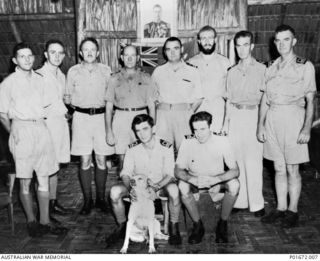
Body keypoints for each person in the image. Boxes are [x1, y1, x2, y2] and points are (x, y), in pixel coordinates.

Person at [0, 42, 66, 237]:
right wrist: (14, 132)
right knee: (25, 181)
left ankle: (45, 221)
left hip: (41, 128)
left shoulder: (40, 79)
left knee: (44, 177)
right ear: (14, 60)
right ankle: (31, 222)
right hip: (21, 129)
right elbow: (2, 114)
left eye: (30, 56)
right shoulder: (8, 83)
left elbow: (48, 106)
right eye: (22, 56)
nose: (27, 60)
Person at [257, 24, 316, 228]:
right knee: (278, 167)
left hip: (293, 117)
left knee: (292, 168)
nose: (282, 44)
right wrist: (260, 125)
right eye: (278, 40)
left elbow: (311, 99)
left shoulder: (304, 65)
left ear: (294, 41)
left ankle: (293, 210)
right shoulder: (271, 66)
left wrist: (306, 128)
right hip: (273, 117)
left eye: (286, 39)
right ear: (274, 43)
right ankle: (281, 208)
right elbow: (265, 98)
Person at [106, 114, 182, 246]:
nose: (141, 134)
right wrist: (130, 189)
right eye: (138, 130)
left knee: (175, 190)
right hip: (137, 188)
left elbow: (170, 174)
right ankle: (123, 225)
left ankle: (174, 227)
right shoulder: (132, 148)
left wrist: (155, 187)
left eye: (145, 129)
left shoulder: (166, 146)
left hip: (159, 185)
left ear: (154, 129)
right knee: (114, 192)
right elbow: (126, 173)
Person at [65, 37, 114, 215]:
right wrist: (81, 107)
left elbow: (111, 96)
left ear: (98, 52)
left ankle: (101, 199)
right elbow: (67, 97)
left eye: (92, 49)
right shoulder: (73, 71)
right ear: (80, 53)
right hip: (81, 118)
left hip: (101, 118)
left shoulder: (106, 71)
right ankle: (87, 201)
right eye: (85, 50)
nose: (89, 52)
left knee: (101, 160)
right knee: (85, 160)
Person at [175, 111, 239, 244]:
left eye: (203, 129)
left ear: (210, 126)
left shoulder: (222, 140)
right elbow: (178, 170)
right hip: (195, 179)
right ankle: (198, 225)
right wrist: (191, 180)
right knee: (182, 185)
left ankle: (222, 223)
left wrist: (217, 180)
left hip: (216, 179)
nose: (199, 133)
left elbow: (235, 171)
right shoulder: (187, 141)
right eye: (195, 129)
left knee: (234, 184)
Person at [222, 31, 265, 217]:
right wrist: (225, 124)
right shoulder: (231, 72)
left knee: (254, 161)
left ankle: (257, 204)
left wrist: (261, 124)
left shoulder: (263, 69)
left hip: (253, 115)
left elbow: (265, 99)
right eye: (238, 45)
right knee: (237, 160)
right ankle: (240, 201)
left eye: (245, 44)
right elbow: (229, 100)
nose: (242, 49)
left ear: (252, 46)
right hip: (235, 117)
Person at [105, 45, 156, 171]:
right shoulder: (114, 78)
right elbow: (109, 107)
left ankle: (142, 188)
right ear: (122, 58)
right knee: (122, 155)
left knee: (142, 153)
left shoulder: (146, 78)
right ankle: (125, 187)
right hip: (121, 118)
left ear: (137, 57)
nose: (129, 58)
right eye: (126, 55)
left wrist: (152, 127)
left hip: (141, 117)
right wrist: (109, 131)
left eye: (132, 55)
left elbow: (152, 106)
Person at [37, 39, 71, 220]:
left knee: (54, 166)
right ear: (45, 55)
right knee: (44, 167)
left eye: (60, 53)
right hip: (45, 126)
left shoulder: (61, 75)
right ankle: (44, 211)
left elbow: (59, 101)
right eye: (53, 52)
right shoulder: (38, 76)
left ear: (64, 56)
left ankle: (52, 202)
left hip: (59, 125)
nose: (56, 56)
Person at [152, 36, 203, 151]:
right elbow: (152, 97)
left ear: (181, 50)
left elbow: (199, 97)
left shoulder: (193, 71)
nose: (172, 52)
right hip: (163, 116)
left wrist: (188, 112)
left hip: (184, 115)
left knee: (185, 151)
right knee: (162, 151)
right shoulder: (158, 72)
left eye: (175, 48)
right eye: (168, 49)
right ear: (165, 52)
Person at [188, 25, 231, 133]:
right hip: (198, 112)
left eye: (210, 38)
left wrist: (226, 120)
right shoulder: (191, 63)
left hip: (218, 113)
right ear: (198, 41)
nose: (207, 41)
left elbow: (230, 93)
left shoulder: (225, 62)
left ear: (215, 40)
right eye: (203, 38)